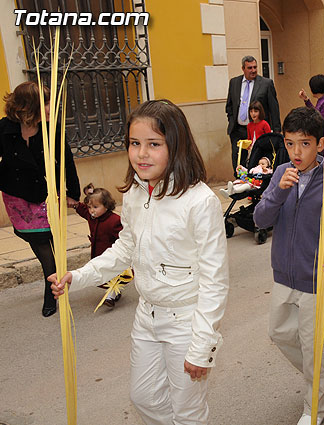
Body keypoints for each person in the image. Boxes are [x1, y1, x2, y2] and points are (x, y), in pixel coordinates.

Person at [50, 100, 229, 424]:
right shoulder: (134, 192)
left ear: (175, 146)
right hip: (147, 315)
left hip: (186, 321)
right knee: (144, 398)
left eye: (153, 144)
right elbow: (125, 249)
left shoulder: (201, 202)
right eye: (135, 143)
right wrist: (79, 277)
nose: (142, 153)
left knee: (188, 412)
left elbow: (215, 281)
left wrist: (202, 346)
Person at [254, 106, 324, 425]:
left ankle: (315, 409)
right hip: (284, 276)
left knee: (315, 348)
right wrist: (278, 192)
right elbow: (260, 218)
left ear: (320, 144)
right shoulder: (280, 174)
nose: (296, 152)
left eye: (304, 143)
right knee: (278, 332)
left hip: (318, 280)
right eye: (289, 143)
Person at [0, 81, 80, 317]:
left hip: (45, 195)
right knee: (38, 242)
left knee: (48, 246)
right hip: (17, 197)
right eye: (45, 102)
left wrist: (71, 193)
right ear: (28, 106)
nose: (49, 106)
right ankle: (55, 278)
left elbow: (67, 160)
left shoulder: (51, 128)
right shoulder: (4, 127)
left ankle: (50, 290)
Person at [74, 183, 126, 307]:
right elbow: (82, 210)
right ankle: (114, 293)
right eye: (90, 207)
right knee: (104, 275)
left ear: (106, 205)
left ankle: (111, 296)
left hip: (111, 255)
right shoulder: (92, 217)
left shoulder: (114, 220)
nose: (92, 210)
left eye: (96, 207)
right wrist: (75, 205)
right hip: (98, 252)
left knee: (114, 274)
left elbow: (123, 237)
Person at [226, 55, 281, 171]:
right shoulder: (234, 82)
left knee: (256, 160)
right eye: (250, 68)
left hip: (257, 130)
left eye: (255, 67)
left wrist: (276, 131)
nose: (253, 70)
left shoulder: (266, 83)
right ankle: (239, 184)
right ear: (243, 69)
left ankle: (255, 183)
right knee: (238, 160)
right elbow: (230, 105)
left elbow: (274, 108)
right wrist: (231, 120)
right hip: (238, 130)